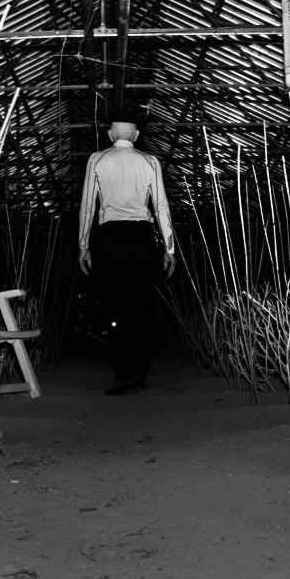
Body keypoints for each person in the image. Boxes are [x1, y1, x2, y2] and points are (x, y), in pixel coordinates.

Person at [78, 114, 176, 395]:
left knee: (115, 306)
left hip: (109, 239)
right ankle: (139, 374)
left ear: (110, 136)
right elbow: (161, 207)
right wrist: (169, 248)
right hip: (141, 237)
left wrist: (83, 246)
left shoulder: (97, 160)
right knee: (142, 306)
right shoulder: (150, 162)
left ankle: (122, 375)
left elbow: (88, 206)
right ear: (136, 136)